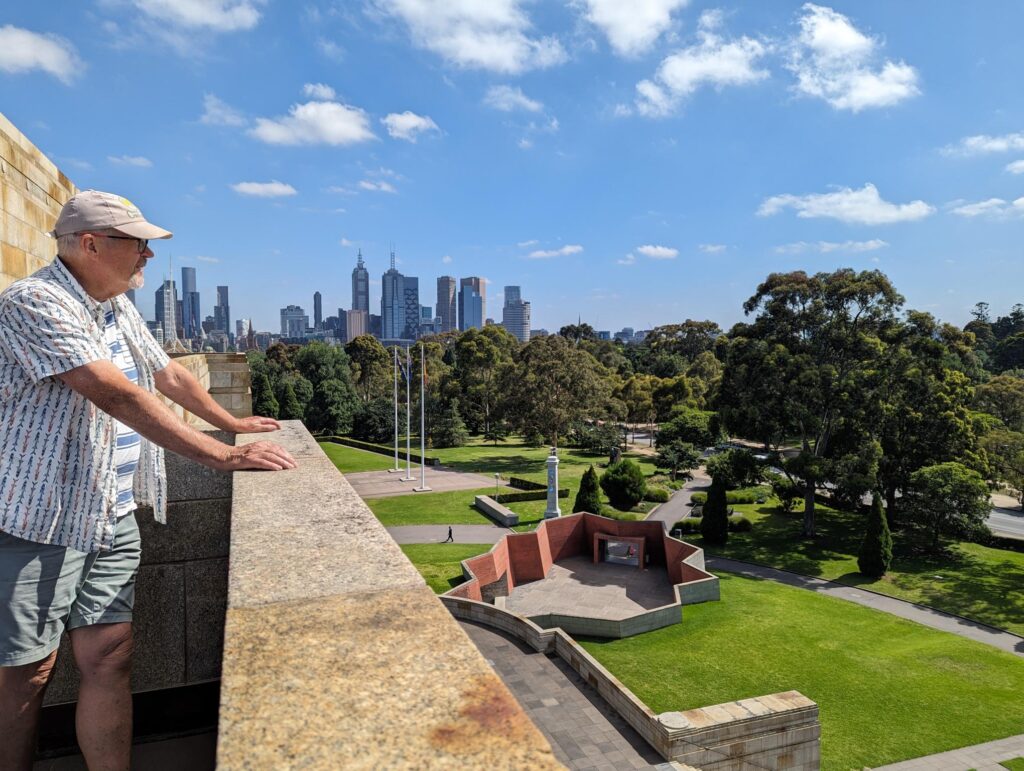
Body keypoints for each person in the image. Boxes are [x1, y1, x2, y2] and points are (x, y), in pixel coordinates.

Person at [0, 190, 296, 771]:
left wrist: (230, 423)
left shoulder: (113, 302)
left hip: (111, 515)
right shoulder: (33, 302)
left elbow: (165, 374)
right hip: (40, 521)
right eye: (137, 244)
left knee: (110, 656)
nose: (147, 256)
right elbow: (116, 392)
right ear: (90, 245)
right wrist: (220, 457)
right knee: (25, 675)